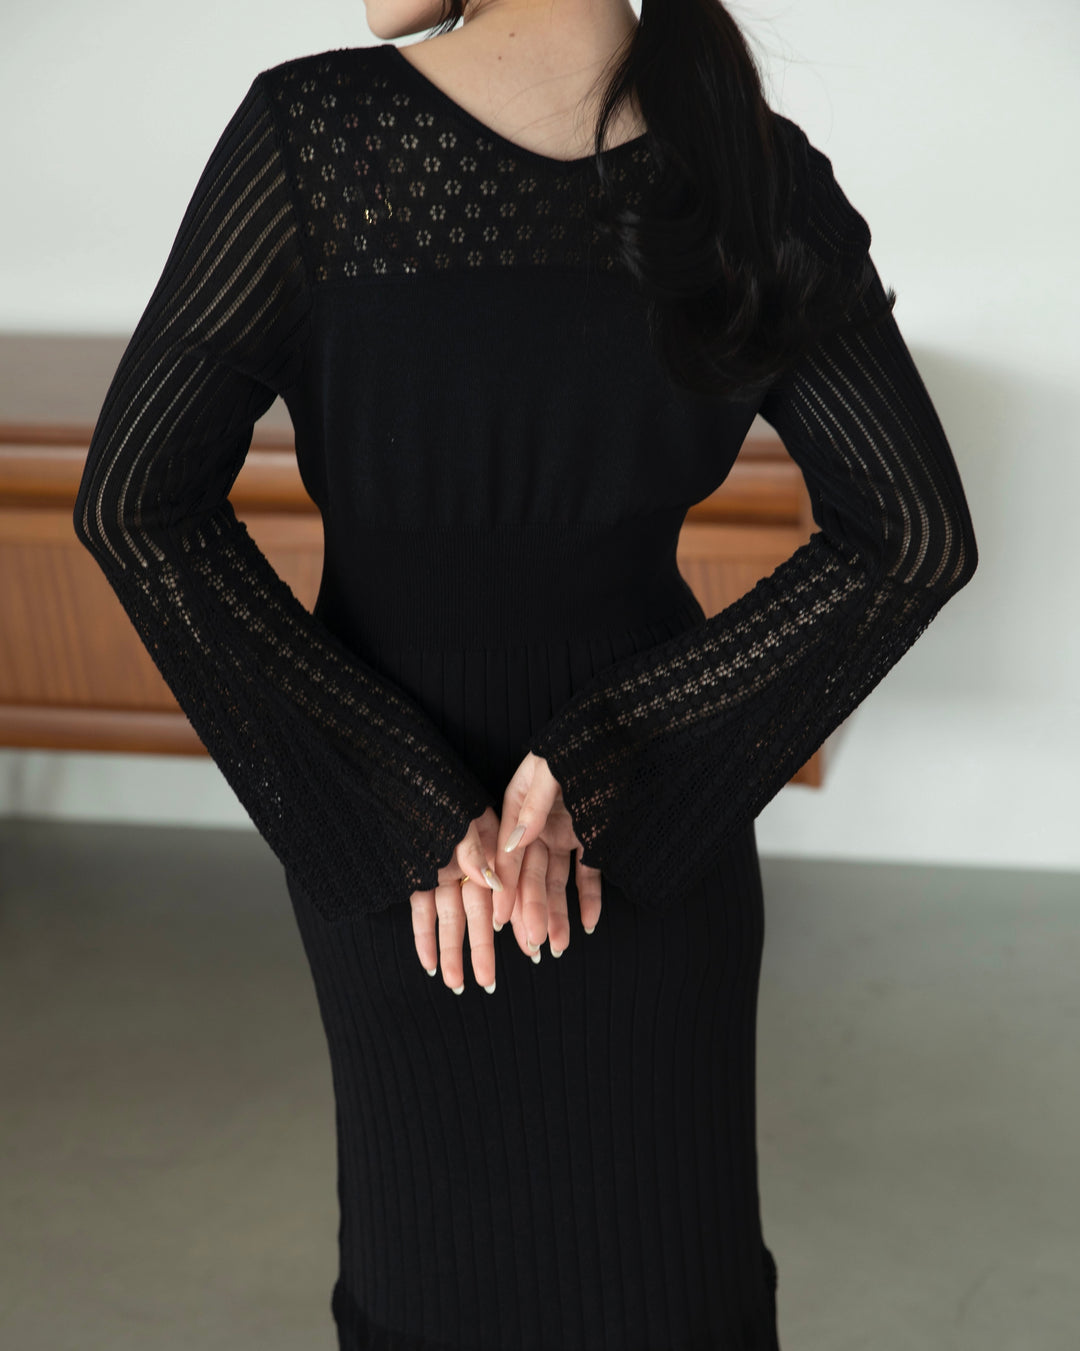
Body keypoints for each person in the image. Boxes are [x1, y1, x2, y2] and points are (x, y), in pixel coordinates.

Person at [72, 0, 978, 1345]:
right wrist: (614, 752)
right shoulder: (748, 167)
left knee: (428, 1290)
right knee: (672, 1289)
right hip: (649, 833)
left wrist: (400, 796)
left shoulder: (315, 139)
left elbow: (134, 505)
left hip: (408, 871)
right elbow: (913, 537)